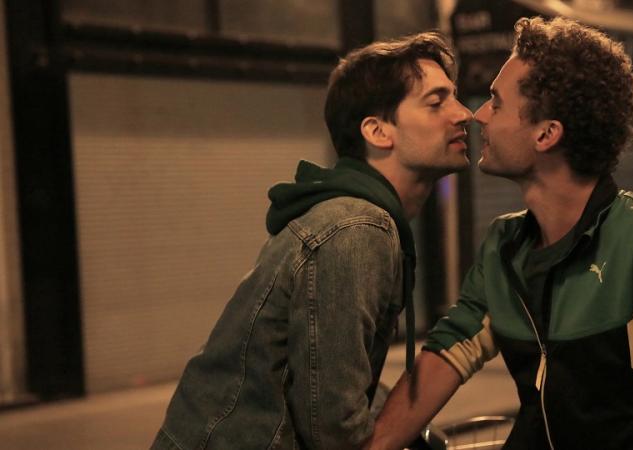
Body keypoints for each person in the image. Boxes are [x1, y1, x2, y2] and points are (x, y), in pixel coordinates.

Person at [366, 17, 633, 450]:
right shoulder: (504, 245)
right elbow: (446, 353)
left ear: (546, 133)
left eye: (497, 102)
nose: (478, 114)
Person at [151, 32, 472, 450]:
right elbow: (334, 428)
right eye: (436, 102)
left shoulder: (357, 217)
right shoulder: (357, 227)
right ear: (377, 131)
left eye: (455, 98)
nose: (464, 114)